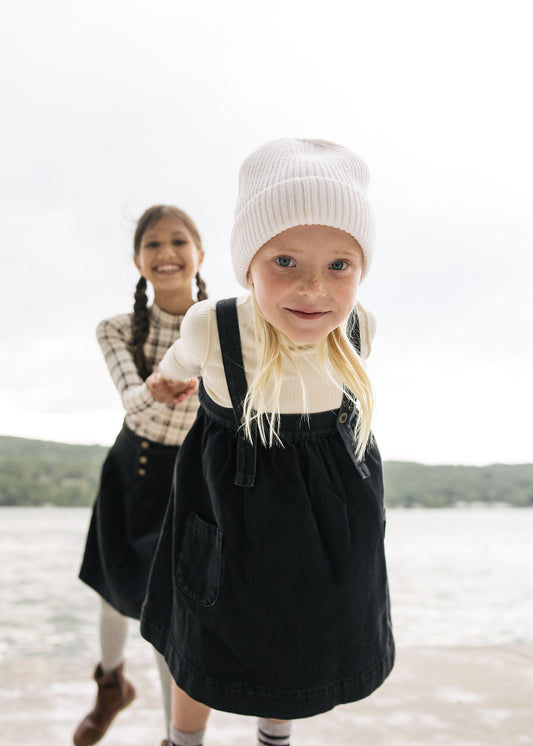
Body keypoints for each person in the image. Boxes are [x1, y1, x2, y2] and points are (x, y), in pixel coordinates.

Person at [141, 139, 395, 746]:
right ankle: (184, 740)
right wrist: (165, 382)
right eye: (286, 262)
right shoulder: (213, 323)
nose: (314, 289)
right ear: (247, 264)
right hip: (231, 500)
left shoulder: (359, 326)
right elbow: (177, 365)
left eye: (340, 265)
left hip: (330, 506)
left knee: (297, 636)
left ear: (361, 269)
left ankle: (274, 738)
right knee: (201, 633)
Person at [74, 205, 207, 746]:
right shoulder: (117, 328)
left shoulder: (223, 325)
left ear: (200, 254)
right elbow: (132, 407)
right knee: (110, 590)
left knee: (165, 616)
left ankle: (173, 738)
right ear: (137, 260)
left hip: (192, 477)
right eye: (153, 244)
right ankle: (111, 687)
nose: (167, 253)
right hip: (132, 468)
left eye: (179, 241)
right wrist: (155, 392)